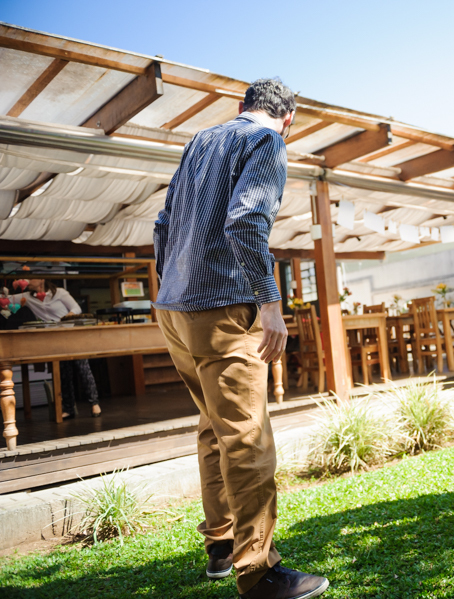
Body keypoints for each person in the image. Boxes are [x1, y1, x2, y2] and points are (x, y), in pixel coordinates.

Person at [153, 78, 329, 599]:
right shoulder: (266, 141)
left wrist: (174, 285)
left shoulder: (200, 141)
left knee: (213, 428)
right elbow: (247, 222)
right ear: (289, 118)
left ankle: (221, 547)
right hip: (223, 306)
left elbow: (162, 225)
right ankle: (258, 572)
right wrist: (271, 304)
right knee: (247, 436)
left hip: (174, 309)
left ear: (240, 107)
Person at [11, 279, 100, 419]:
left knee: (83, 369)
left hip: (71, 336)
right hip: (55, 341)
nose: (27, 281)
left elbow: (76, 308)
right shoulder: (27, 297)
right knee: (64, 374)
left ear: (41, 281)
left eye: (31, 278)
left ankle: (94, 404)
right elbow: (7, 300)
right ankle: (69, 408)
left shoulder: (60, 293)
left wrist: (68, 316)